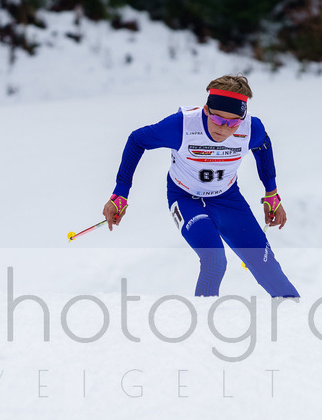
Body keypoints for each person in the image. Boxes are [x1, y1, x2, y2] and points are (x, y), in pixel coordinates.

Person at [102, 74, 300, 299]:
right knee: (214, 259)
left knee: (267, 267)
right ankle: (203, 328)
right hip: (186, 199)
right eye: (217, 120)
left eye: (233, 122)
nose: (224, 128)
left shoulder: (251, 129)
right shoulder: (181, 126)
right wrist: (120, 194)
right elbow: (137, 140)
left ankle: (297, 325)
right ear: (206, 110)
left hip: (228, 200)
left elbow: (263, 145)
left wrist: (272, 193)